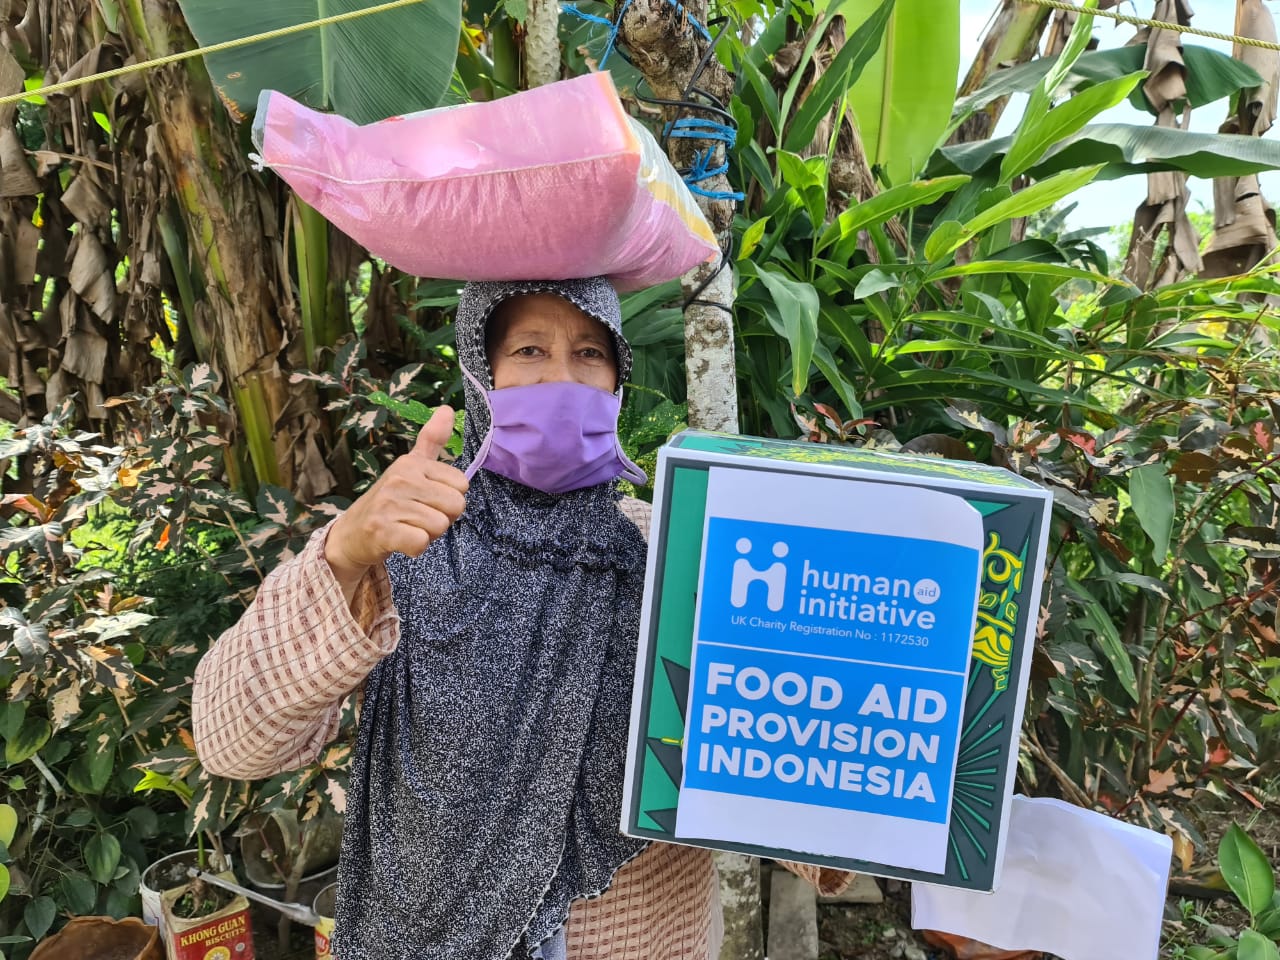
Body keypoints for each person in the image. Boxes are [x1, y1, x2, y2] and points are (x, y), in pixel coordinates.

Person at [192, 278, 849, 960]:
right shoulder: (404, 545)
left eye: (590, 352)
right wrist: (341, 554)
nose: (563, 379)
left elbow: (771, 756)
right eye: (530, 350)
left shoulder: (668, 555)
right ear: (481, 376)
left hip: (654, 941)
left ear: (619, 379)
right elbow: (232, 743)